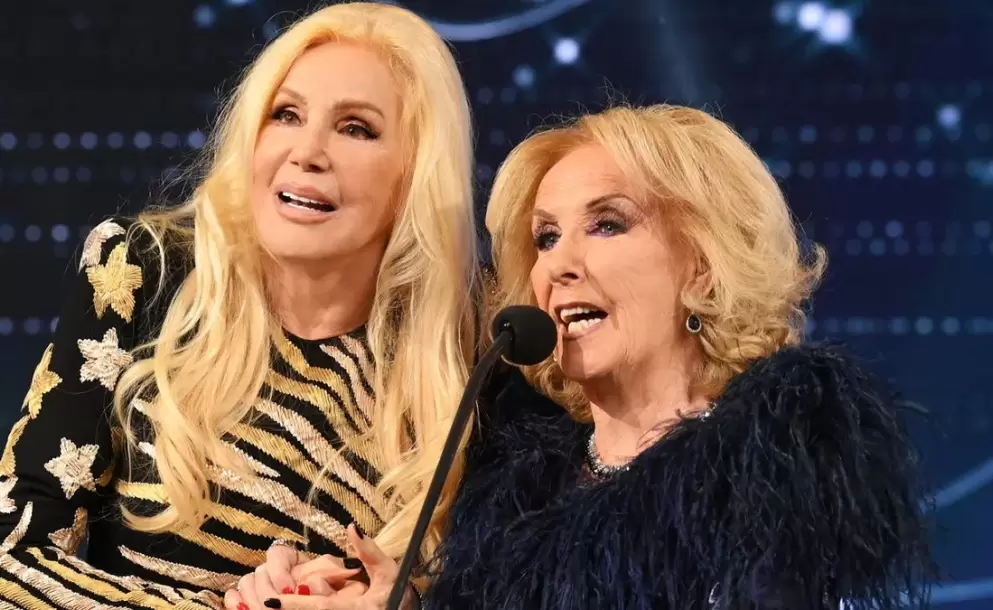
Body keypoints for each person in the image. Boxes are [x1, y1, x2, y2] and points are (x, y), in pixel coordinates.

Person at [251, 104, 934, 610]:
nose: (559, 265)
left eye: (607, 224)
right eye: (545, 238)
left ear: (701, 264)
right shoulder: (505, 492)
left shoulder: (768, 483)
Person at [0, 2, 479, 609]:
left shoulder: (468, 363)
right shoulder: (145, 273)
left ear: (417, 172)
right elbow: (13, 556)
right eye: (286, 115)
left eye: (356, 128)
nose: (307, 151)